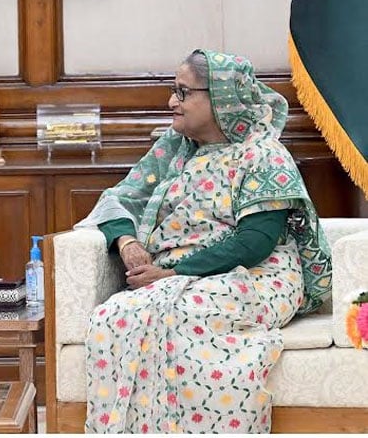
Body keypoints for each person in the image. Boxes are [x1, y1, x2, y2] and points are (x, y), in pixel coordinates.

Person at [74, 50, 331, 433]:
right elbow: (118, 199)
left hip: (258, 275)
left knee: (187, 313)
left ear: (222, 97)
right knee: (112, 317)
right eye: (173, 90)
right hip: (172, 279)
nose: (171, 102)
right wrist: (127, 242)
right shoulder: (174, 149)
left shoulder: (263, 155)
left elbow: (255, 243)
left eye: (183, 92)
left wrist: (173, 273)